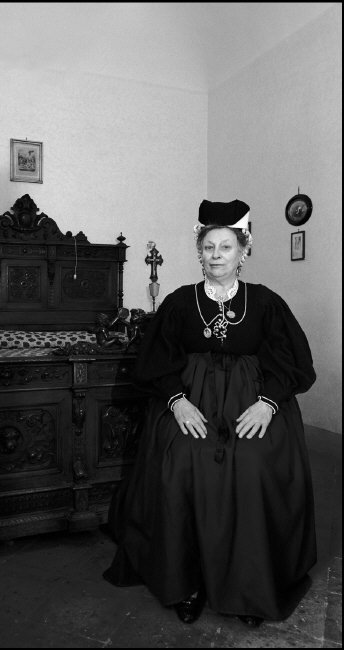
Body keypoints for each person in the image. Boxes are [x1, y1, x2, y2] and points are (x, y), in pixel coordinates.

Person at [103, 199, 317, 628]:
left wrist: (268, 404)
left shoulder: (265, 302)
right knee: (182, 462)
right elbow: (156, 362)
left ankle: (250, 586)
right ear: (198, 251)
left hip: (251, 404)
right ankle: (186, 582)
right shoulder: (181, 303)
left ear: (244, 251)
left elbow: (289, 361)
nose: (216, 255)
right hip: (190, 402)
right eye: (209, 247)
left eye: (226, 247)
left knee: (254, 465)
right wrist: (177, 402)